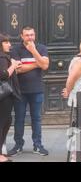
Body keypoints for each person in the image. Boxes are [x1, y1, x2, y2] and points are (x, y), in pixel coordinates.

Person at [8, 26, 49, 157]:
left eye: (32, 35)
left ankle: (38, 145)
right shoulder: (15, 49)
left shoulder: (41, 48)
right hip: (19, 90)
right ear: (22, 36)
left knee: (36, 119)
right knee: (19, 119)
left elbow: (45, 65)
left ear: (35, 35)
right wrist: (37, 63)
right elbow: (17, 69)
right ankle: (18, 145)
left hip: (37, 90)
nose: (30, 37)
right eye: (27, 35)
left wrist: (34, 51)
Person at [0, 34, 21, 162]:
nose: (9, 45)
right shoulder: (2, 57)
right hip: (4, 95)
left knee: (6, 122)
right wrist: (13, 64)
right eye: (6, 42)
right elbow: (3, 75)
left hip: (5, 95)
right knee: (3, 122)